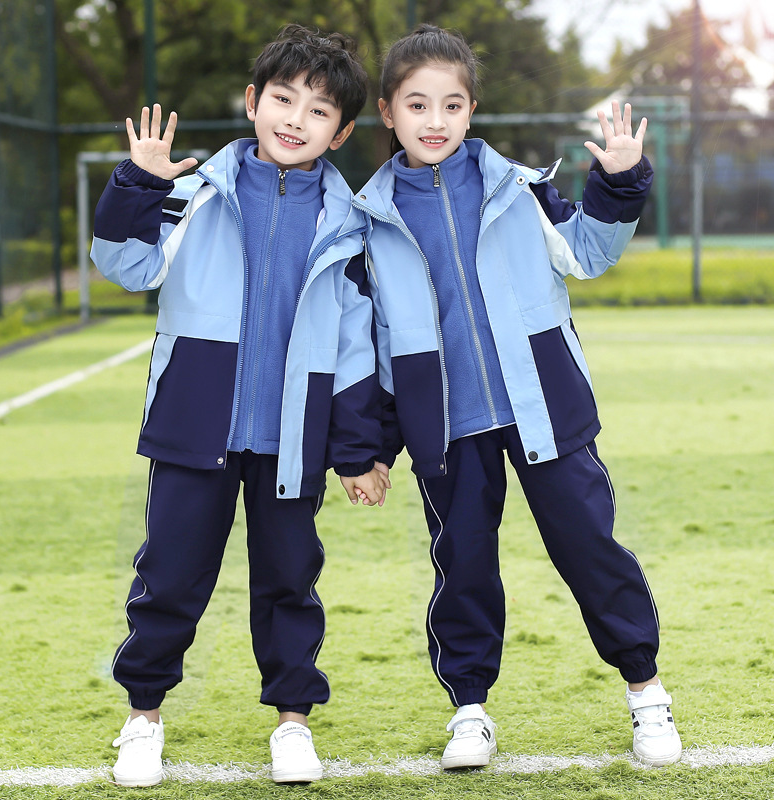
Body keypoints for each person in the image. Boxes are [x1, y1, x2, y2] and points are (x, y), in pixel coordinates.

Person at [354, 24, 681, 770]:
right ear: (387, 112)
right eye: (417, 105)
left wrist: (621, 178)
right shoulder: (367, 221)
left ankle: (647, 694)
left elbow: (589, 252)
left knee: (590, 551)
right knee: (463, 566)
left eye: (452, 105)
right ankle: (470, 712)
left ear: (471, 111)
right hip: (447, 428)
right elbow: (371, 347)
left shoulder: (522, 189)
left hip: (546, 412)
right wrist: (371, 449)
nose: (435, 121)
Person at [91, 24, 389, 787]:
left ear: (343, 130)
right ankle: (144, 717)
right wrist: (138, 181)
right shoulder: (191, 193)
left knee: (290, 579)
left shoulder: (351, 223)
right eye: (282, 99)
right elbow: (124, 267)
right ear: (253, 101)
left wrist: (357, 450)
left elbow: (358, 347)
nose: (295, 119)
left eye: (318, 111)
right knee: (170, 577)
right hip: (195, 427)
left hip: (292, 440)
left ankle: (293, 724)